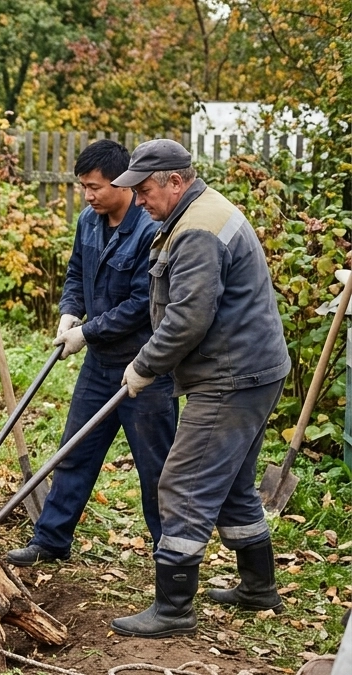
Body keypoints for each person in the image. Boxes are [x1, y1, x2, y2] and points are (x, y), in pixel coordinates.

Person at [108, 139, 290, 638]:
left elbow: (188, 318)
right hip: (255, 369)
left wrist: (143, 366)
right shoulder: (200, 213)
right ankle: (257, 588)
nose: (140, 201)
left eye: (145, 190)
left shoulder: (198, 231)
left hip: (232, 378)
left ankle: (173, 610)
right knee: (231, 483)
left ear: (175, 180)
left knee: (184, 484)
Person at [6, 140, 178, 567]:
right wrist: (69, 313)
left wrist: (87, 331)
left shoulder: (150, 229)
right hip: (100, 365)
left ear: (122, 182)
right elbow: (75, 275)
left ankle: (171, 557)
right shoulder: (89, 221)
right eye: (83, 186)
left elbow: (142, 303)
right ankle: (50, 540)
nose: (88, 195)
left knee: (156, 470)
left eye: (95, 186)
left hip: (144, 369)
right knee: (74, 452)